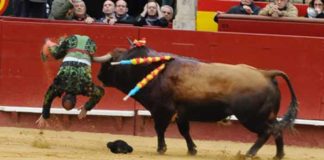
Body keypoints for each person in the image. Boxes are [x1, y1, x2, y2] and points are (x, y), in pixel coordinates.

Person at [35, 34, 112, 128]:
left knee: (58, 55)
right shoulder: (60, 86)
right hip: (79, 42)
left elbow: (100, 92)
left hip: (89, 45)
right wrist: (44, 115)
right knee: (57, 55)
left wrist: (86, 108)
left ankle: (50, 42)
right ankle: (50, 43)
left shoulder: (83, 87)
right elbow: (48, 96)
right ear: (63, 95)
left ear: (76, 99)